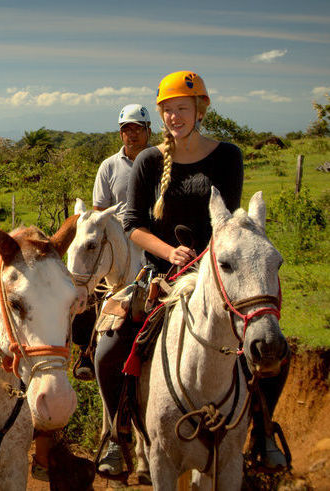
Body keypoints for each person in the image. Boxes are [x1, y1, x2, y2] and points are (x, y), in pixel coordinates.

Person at [93, 70, 288, 477]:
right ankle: (119, 433)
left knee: (268, 343)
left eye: (181, 109)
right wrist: (168, 252)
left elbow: (226, 224)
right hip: (159, 276)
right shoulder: (148, 160)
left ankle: (262, 431)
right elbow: (132, 225)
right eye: (167, 111)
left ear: (200, 109)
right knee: (108, 351)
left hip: (218, 271)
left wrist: (202, 261)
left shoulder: (227, 156)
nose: (174, 117)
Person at [72, 103, 152, 382]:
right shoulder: (109, 166)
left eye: (137, 129)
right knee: (89, 286)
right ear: (121, 134)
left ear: (148, 131)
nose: (131, 135)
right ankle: (86, 350)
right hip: (118, 239)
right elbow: (98, 210)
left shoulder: (160, 162)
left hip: (152, 238)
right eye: (126, 130)